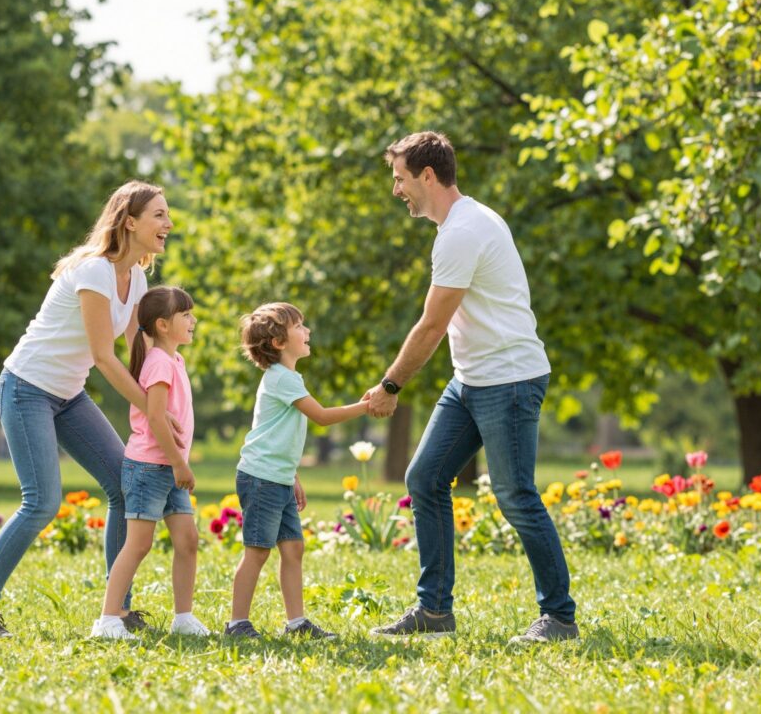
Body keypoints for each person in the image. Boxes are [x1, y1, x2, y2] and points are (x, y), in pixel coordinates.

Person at [365, 132, 578, 643]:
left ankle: (560, 617)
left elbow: (432, 325)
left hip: (508, 379)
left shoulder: (464, 230)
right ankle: (434, 611)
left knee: (515, 495)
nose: (396, 190)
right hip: (473, 379)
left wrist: (391, 384)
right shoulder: (464, 223)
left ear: (428, 176)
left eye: (400, 179)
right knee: (425, 479)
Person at [0, 180, 182, 638]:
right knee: (41, 502)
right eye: (159, 214)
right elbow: (104, 357)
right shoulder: (95, 271)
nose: (168, 223)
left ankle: (116, 611)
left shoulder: (136, 278)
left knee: (124, 483)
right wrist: (152, 414)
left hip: (68, 395)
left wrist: (165, 395)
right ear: (130, 221)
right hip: (26, 388)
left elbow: (138, 354)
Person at [225, 302, 367, 639]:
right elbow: (321, 416)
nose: (308, 332)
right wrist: (366, 406)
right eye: (300, 326)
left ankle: (296, 623)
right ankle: (236, 624)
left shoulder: (288, 378)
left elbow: (279, 435)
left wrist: (293, 477)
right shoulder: (281, 379)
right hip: (262, 478)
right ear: (278, 343)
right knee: (258, 551)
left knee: (293, 549)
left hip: (278, 477)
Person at [91, 286, 209, 640]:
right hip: (150, 468)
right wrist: (179, 464)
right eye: (185, 315)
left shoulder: (174, 359)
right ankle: (108, 620)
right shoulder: (158, 362)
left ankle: (183, 616)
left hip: (167, 468)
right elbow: (156, 418)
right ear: (162, 324)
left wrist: (176, 464)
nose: (193, 321)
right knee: (138, 544)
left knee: (187, 539)